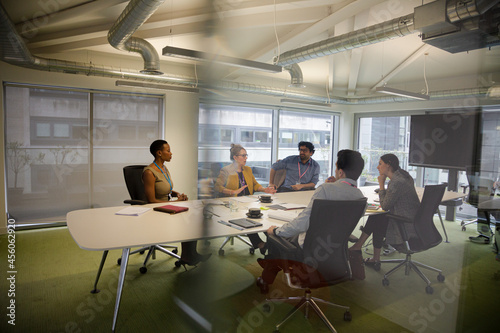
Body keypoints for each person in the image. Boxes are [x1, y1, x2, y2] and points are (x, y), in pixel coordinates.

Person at [256, 149, 365, 292]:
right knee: (286, 236)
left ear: (340, 172)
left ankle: (266, 277)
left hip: (310, 250)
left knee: (275, 237)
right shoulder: (360, 198)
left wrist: (276, 231)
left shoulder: (325, 189)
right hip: (334, 251)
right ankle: (271, 266)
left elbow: (302, 223)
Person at [143, 139, 210, 266]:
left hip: (168, 207)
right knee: (187, 220)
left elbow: (165, 189)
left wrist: (177, 194)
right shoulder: (149, 172)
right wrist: (176, 201)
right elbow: (151, 201)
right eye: (168, 151)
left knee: (193, 217)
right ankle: (188, 256)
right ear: (159, 153)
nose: (171, 153)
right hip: (157, 210)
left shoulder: (163, 168)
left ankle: (189, 254)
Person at [348, 154, 420, 268]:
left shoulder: (397, 182)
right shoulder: (403, 175)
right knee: (379, 216)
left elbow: (385, 205)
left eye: (380, 163)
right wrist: (385, 190)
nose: (378, 167)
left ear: (388, 164)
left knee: (379, 216)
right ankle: (372, 256)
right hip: (413, 220)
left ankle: (361, 248)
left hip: (405, 224)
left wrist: (381, 185)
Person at [215, 144, 276, 253]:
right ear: (235, 157)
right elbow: (218, 187)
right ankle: (260, 244)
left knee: (261, 217)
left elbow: (255, 184)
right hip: (233, 204)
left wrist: (265, 189)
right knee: (248, 219)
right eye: (243, 155)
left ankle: (272, 243)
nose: (246, 158)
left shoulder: (247, 170)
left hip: (248, 203)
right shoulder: (226, 170)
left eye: (246, 155)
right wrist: (232, 192)